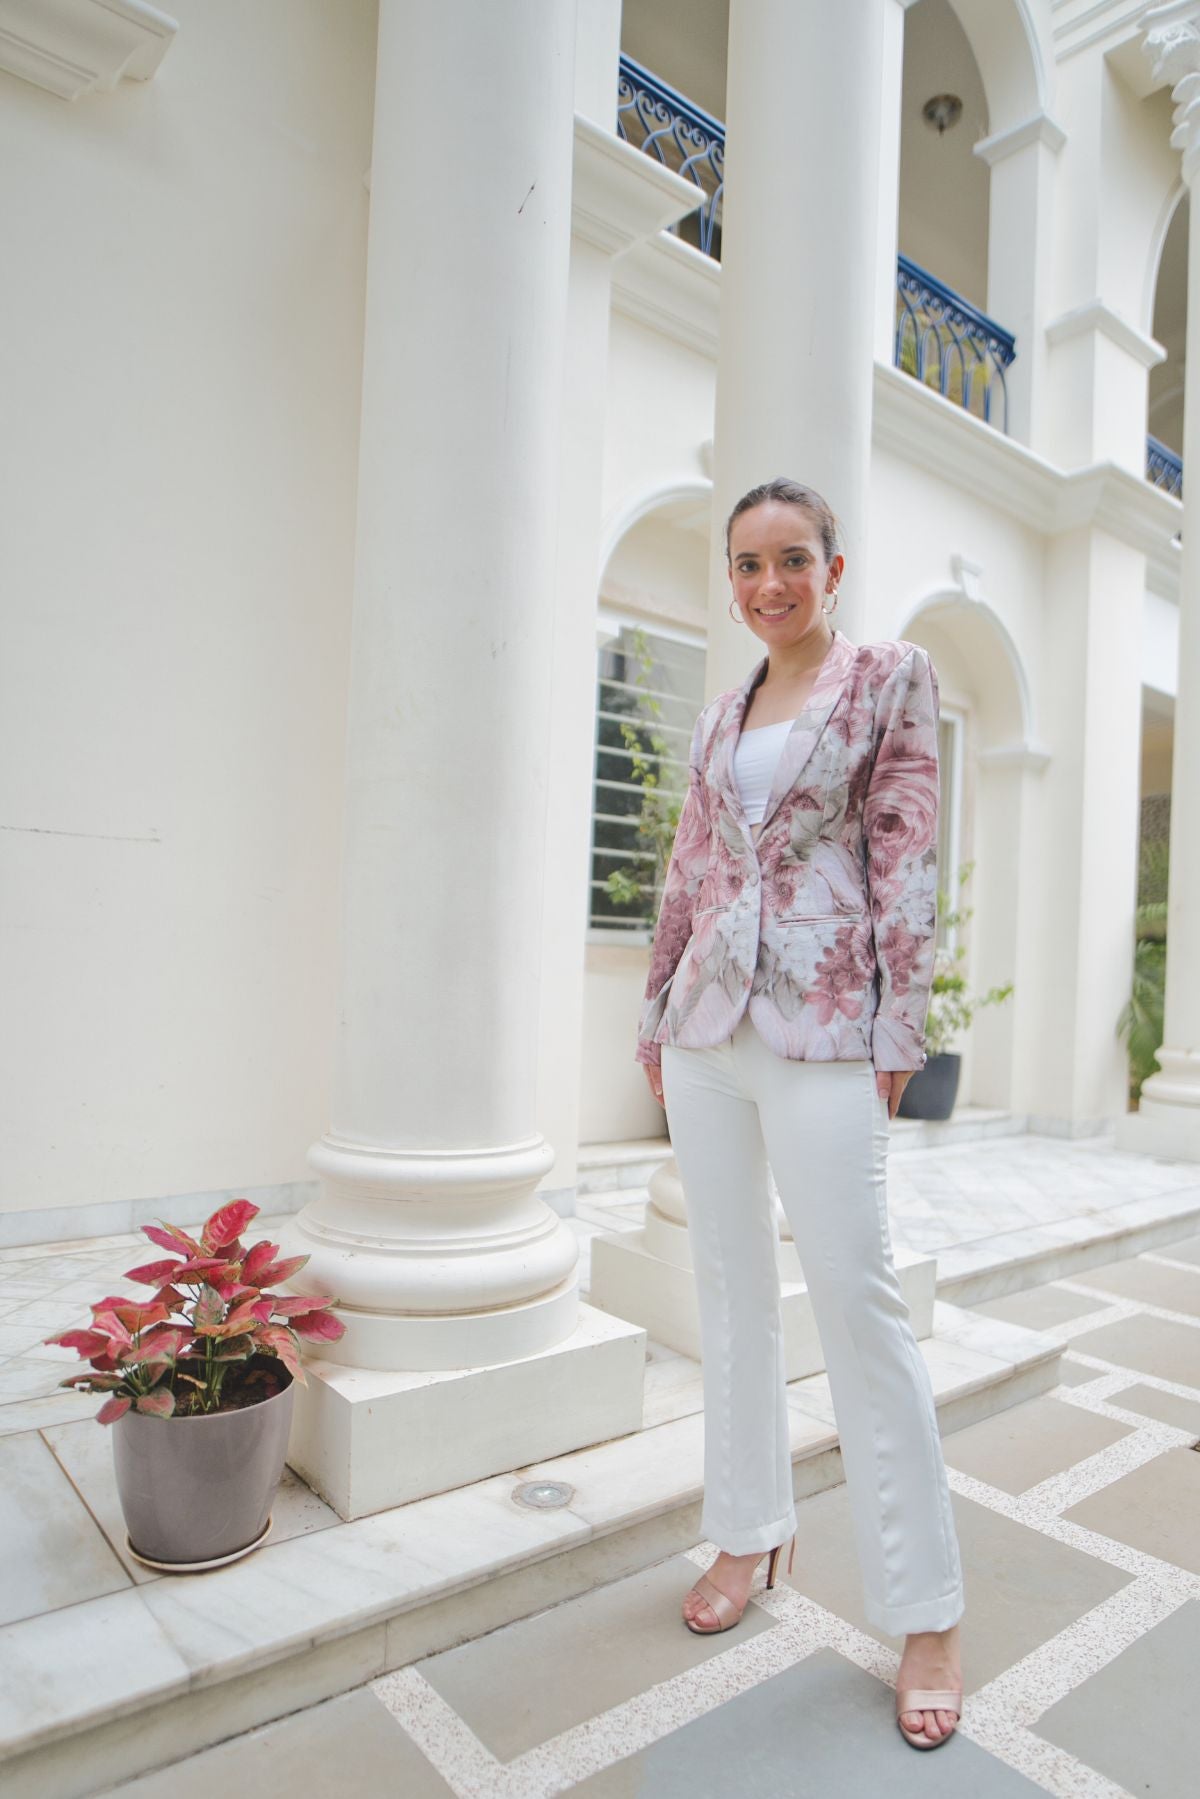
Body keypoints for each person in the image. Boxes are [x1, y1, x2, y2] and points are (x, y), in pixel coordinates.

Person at [635, 477, 965, 1750]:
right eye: (747, 564)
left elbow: (904, 846)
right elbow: (690, 864)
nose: (768, 583)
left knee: (857, 1303)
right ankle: (749, 1528)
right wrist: (655, 1015)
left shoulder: (890, 676)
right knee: (726, 1292)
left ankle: (925, 1608)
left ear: (834, 568)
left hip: (828, 1024)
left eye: (791, 560)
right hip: (708, 1031)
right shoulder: (726, 709)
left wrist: (900, 1022)